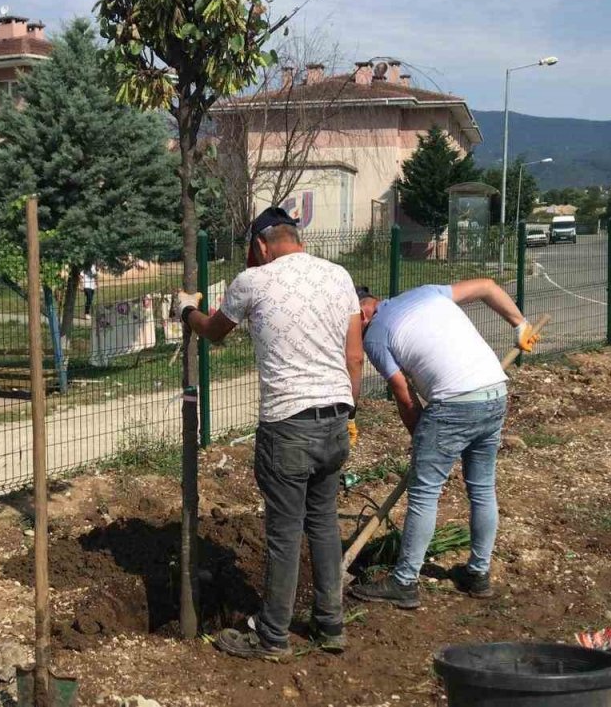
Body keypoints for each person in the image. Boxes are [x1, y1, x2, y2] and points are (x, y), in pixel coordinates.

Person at [176, 207, 364, 661]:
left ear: (261, 245)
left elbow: (214, 331)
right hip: (336, 419)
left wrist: (186, 310)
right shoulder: (339, 276)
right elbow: (355, 357)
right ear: (295, 238)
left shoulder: (253, 282)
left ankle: (272, 636)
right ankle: (330, 624)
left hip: (288, 425)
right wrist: (349, 413)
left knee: (284, 533)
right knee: (323, 522)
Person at [348, 280, 539, 609]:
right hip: (494, 392)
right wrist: (520, 324)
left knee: (424, 492)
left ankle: (404, 582)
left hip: (454, 404)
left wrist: (421, 438)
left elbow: (404, 394)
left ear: (363, 314)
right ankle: (478, 574)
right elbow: (487, 286)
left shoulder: (375, 335)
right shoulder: (426, 292)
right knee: (482, 487)